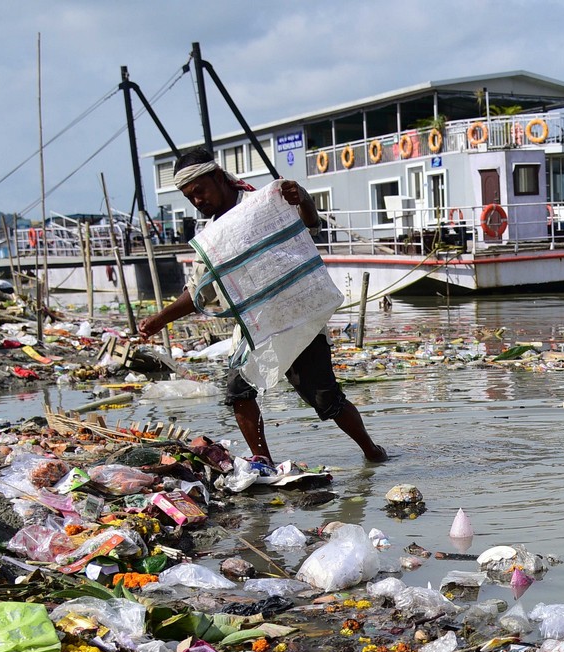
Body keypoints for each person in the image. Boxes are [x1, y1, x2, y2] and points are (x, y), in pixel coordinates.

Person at [137, 147, 388, 465]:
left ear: (218, 177)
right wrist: (161, 319)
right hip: (254, 328)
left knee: (327, 400)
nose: (197, 201)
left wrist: (305, 200)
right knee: (239, 394)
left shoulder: (264, 206)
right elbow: (201, 292)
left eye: (200, 191)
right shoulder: (212, 237)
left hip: (297, 319)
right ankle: (263, 463)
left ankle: (372, 452)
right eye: (190, 197)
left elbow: (309, 229)